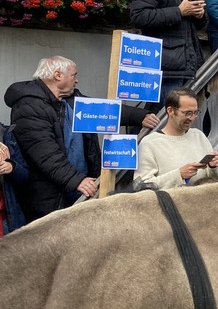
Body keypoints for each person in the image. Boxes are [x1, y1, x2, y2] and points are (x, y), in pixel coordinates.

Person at [4, 56, 156, 220]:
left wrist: (139, 116)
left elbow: (101, 111)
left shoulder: (68, 99)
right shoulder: (29, 106)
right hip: (49, 196)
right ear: (58, 75)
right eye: (74, 75)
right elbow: (46, 154)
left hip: (77, 186)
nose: (76, 80)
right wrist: (76, 180)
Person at [134, 88, 218, 190]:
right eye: (187, 113)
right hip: (168, 205)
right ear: (170, 111)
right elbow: (141, 186)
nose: (192, 118)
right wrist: (179, 175)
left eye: (195, 113)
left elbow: (216, 178)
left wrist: (214, 167)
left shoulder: (199, 136)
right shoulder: (149, 143)